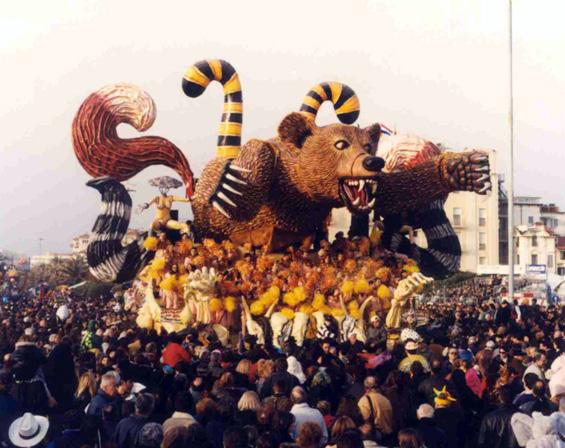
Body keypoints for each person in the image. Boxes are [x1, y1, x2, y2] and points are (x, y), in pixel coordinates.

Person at [357, 376, 393, 443]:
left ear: (366, 387)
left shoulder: (364, 401)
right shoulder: (386, 400)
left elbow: (364, 421)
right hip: (389, 436)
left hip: (374, 438)